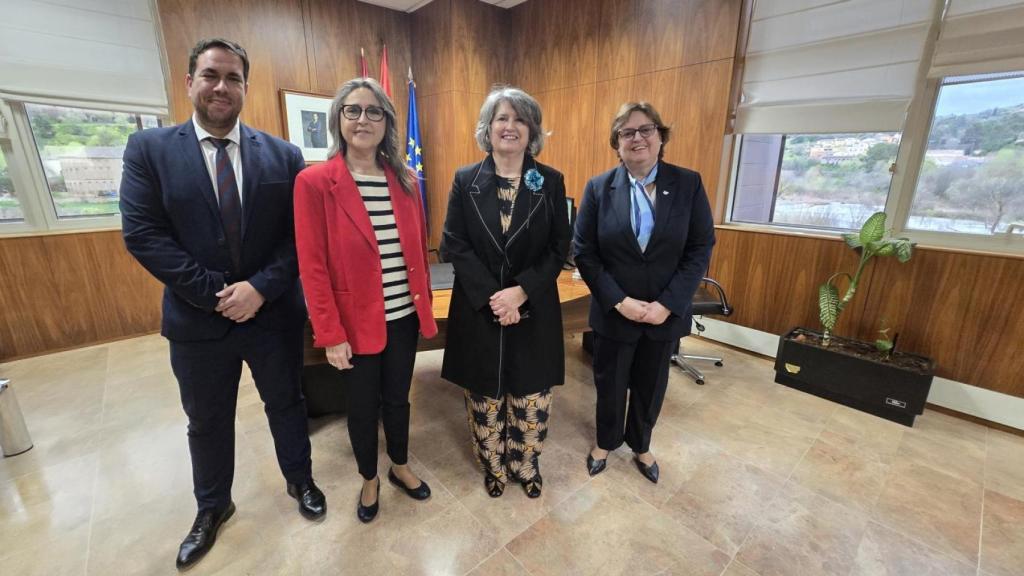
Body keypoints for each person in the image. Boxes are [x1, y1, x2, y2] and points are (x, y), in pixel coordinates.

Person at [119, 38, 325, 571]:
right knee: (207, 420)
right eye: (211, 75)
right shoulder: (149, 150)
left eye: (233, 78)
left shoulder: (283, 155)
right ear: (190, 81)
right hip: (196, 321)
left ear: (245, 88)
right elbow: (143, 234)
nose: (221, 87)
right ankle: (212, 507)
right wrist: (216, 294)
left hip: (272, 315)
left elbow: (299, 236)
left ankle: (300, 480)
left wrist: (259, 288)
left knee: (288, 403)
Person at [294, 78, 437, 524]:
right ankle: (369, 477)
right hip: (354, 326)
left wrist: (424, 306)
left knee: (398, 399)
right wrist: (330, 334)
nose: (363, 120)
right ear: (338, 118)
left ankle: (399, 464)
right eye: (352, 110)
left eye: (374, 111)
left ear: (387, 122)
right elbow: (312, 267)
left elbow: (418, 251)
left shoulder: (406, 180)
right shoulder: (315, 182)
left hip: (403, 317)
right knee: (361, 407)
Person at [573, 101, 715, 484]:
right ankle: (605, 442)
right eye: (627, 132)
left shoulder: (688, 184)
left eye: (646, 129)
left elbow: (700, 247)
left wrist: (668, 304)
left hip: (663, 313)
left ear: (660, 136)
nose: (637, 138)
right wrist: (619, 301)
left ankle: (641, 444)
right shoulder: (599, 188)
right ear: (616, 143)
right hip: (615, 311)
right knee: (610, 384)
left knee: (651, 386)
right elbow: (584, 251)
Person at [441, 86, 570, 499]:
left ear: (532, 130)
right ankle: (493, 467)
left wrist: (521, 292)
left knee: (531, 393)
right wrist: (495, 298)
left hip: (533, 307)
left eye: (520, 119)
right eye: (502, 118)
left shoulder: (550, 181)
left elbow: (559, 247)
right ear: (488, 127)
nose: (510, 126)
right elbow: (453, 243)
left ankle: (526, 466)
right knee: (485, 395)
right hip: (479, 307)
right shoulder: (465, 180)